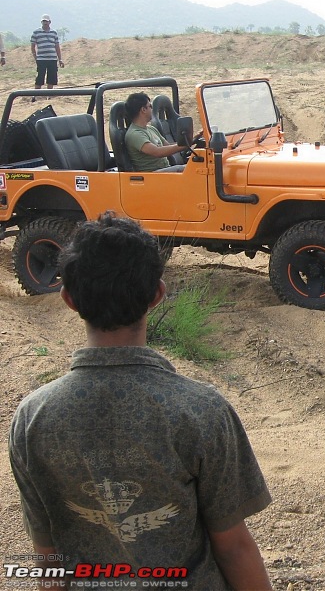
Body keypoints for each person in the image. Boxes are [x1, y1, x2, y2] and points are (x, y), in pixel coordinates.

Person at [9, 213, 274, 590]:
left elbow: (48, 558)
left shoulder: (32, 419)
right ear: (157, 295)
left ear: (68, 298)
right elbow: (233, 547)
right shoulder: (201, 410)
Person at [124, 92, 187, 172]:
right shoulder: (135, 134)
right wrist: (184, 145)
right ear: (143, 110)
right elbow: (157, 152)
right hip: (151, 176)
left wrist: (190, 140)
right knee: (190, 170)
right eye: (150, 106)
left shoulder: (151, 129)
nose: (152, 109)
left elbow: (168, 146)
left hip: (163, 170)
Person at [30, 14, 64, 97]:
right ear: (41, 22)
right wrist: (36, 57)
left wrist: (60, 59)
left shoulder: (54, 33)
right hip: (41, 59)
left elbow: (57, 46)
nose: (45, 23)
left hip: (52, 58)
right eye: (44, 21)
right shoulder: (36, 32)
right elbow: (32, 46)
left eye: (47, 21)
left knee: (51, 77)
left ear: (50, 22)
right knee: (40, 77)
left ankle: (49, 95)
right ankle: (36, 95)